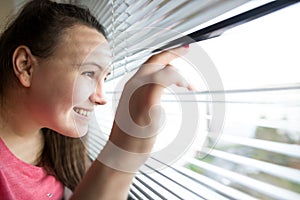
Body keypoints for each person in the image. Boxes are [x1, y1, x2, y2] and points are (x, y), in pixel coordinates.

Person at [0, 0, 192, 199]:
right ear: (26, 66)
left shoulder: (56, 142)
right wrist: (125, 149)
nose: (101, 98)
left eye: (105, 78)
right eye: (89, 73)